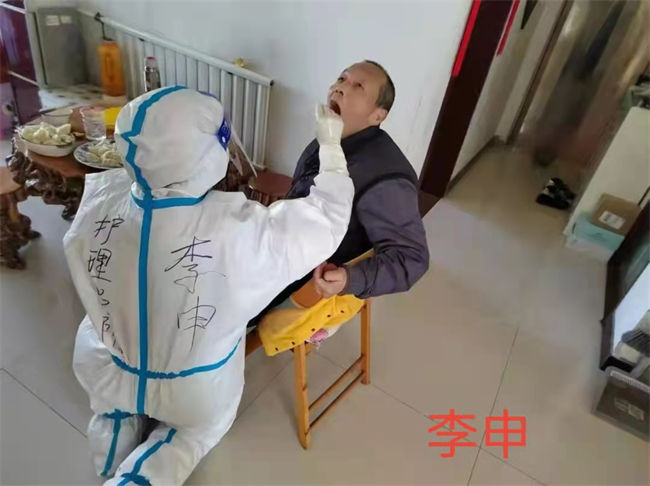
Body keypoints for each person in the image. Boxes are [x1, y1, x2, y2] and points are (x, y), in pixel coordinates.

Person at [64, 87, 353, 485]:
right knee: (190, 436)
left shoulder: (100, 201)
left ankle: (112, 436)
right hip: (192, 387)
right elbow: (326, 220)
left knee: (110, 400)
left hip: (108, 364)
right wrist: (331, 147)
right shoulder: (238, 229)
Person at [254, 60, 428, 322]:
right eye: (341, 78)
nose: (339, 88)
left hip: (292, 277)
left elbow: (412, 259)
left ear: (377, 116)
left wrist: (349, 278)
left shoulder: (385, 178)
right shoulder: (330, 139)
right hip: (276, 246)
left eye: (358, 86)